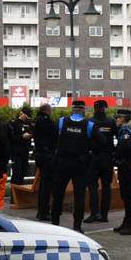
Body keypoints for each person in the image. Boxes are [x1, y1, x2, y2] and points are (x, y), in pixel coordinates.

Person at [48, 99, 95, 232]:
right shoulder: (89, 125)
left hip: (62, 163)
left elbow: (52, 139)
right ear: (83, 110)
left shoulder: (61, 122)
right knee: (79, 196)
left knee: (58, 194)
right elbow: (100, 143)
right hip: (80, 165)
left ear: (72, 109)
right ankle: (77, 226)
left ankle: (55, 224)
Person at [85, 100, 117, 223]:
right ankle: (104, 215)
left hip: (94, 157)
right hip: (107, 158)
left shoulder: (90, 122)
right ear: (105, 108)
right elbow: (118, 136)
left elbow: (85, 139)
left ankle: (94, 213)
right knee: (106, 186)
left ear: (94, 108)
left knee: (92, 185)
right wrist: (114, 153)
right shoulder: (111, 122)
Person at [113, 109, 131, 235]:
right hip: (127, 167)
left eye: (118, 117)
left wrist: (116, 157)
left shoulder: (126, 130)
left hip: (126, 167)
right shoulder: (126, 129)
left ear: (124, 119)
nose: (116, 120)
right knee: (126, 196)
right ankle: (127, 222)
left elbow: (125, 148)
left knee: (128, 197)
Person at [32, 102, 57, 221]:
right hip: (47, 156)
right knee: (47, 186)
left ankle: (40, 210)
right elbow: (55, 135)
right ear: (47, 111)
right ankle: (44, 212)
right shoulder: (47, 122)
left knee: (43, 184)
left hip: (39, 155)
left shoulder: (36, 121)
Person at [9, 107, 34, 185]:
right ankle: (14, 191)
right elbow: (11, 138)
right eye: (26, 116)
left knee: (23, 172)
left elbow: (32, 133)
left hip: (25, 152)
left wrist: (30, 135)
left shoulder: (29, 124)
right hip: (17, 153)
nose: (27, 118)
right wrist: (22, 137)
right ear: (21, 113)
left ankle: (19, 190)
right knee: (16, 173)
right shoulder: (14, 123)